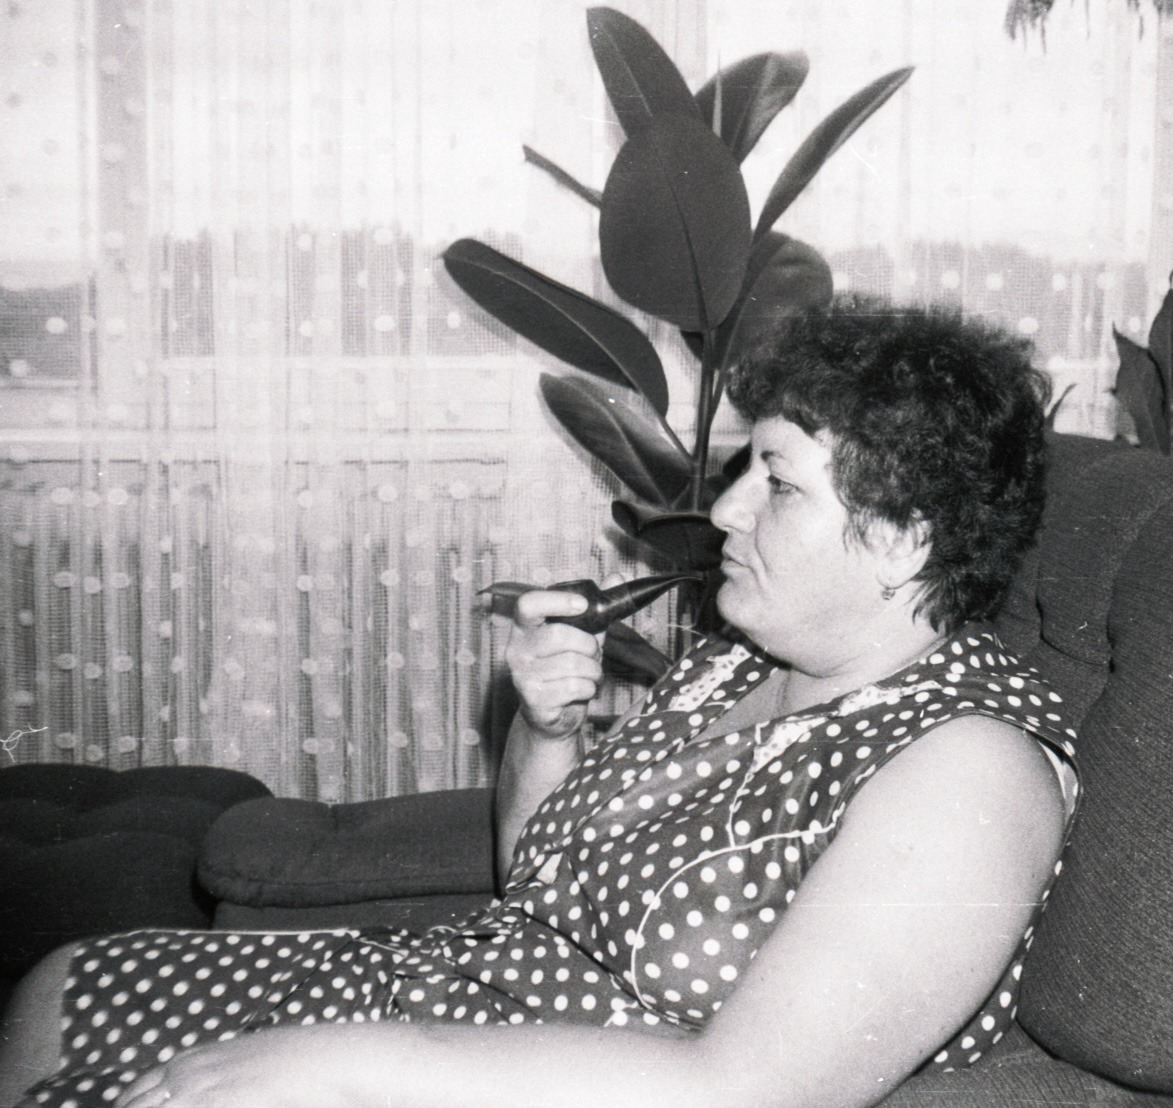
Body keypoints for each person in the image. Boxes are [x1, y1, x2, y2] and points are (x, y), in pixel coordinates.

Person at [0, 300, 1079, 1108]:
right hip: (448, 997)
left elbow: (745, 1089)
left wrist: (344, 1061)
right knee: (59, 985)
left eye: (778, 482)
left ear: (899, 539)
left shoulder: (965, 774)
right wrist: (543, 733)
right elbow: (536, 883)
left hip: (514, 1076)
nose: (724, 507)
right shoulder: (743, 661)